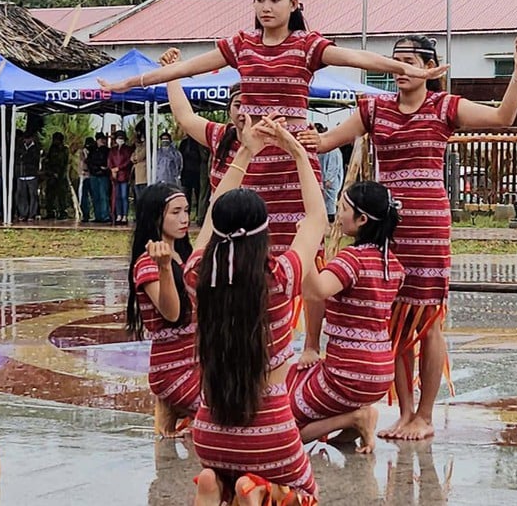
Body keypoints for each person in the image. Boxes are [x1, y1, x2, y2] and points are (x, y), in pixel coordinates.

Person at [100, 0, 445, 256]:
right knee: (248, 239)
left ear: (294, 3)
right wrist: (130, 81)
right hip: (254, 156)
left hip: (294, 157)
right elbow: (184, 69)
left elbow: (359, 58)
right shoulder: (241, 44)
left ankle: (309, 339)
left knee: (306, 247)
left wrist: (411, 71)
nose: (266, 7)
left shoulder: (308, 45)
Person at [302, 34, 517, 441]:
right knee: (395, 319)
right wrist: (292, 131)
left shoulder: (445, 107)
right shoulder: (374, 109)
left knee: (427, 321)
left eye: (410, 61)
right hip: (387, 228)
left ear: (429, 67)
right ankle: (404, 412)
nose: (402, 70)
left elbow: (502, 118)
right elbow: (324, 141)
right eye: (397, 62)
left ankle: (425, 415)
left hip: (429, 229)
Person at [188, 116, 327, 506]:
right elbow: (315, 218)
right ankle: (261, 491)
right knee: (304, 496)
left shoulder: (197, 274)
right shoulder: (279, 277)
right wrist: (298, 152)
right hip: (271, 435)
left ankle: (216, 486)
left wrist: (245, 151)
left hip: (209, 434)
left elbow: (212, 217)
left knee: (219, 476)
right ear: (265, 231)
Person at [291, 181, 404, 454]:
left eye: (343, 208)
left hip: (348, 375)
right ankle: (351, 423)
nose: (338, 214)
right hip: (379, 374)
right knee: (295, 380)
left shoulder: (352, 259)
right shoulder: (392, 265)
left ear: (362, 219)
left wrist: (304, 245)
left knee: (282, 428)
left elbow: (316, 291)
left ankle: (355, 418)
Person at [126, 183, 196, 438]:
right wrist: (165, 268)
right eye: (175, 212)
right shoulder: (147, 263)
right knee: (234, 416)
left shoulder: (187, 255)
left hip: (202, 364)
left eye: (186, 211)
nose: (184, 219)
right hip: (174, 369)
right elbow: (171, 313)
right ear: (156, 216)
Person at [315, 124, 342, 222]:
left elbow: (332, 165)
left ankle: (331, 221)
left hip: (330, 179)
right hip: (324, 177)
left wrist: (329, 179)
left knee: (330, 200)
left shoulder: (332, 149)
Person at [108, 130, 133, 225]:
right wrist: (112, 169)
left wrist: (119, 168)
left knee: (124, 196)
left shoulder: (128, 149)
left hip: (124, 175)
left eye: (122, 138)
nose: (120, 140)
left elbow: (128, 162)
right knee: (117, 196)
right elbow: (109, 161)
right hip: (115, 176)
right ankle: (118, 215)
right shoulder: (112, 150)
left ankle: (124, 216)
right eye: (119, 138)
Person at [15, 132, 42, 222]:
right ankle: (23, 213)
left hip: (32, 175)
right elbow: (17, 158)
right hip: (21, 175)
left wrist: (25, 156)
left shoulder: (36, 148)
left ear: (32, 139)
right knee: (21, 195)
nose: (25, 141)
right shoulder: (20, 147)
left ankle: (32, 214)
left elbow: (33, 159)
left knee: (33, 195)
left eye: (27, 139)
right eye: (24, 139)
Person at [43, 132, 70, 220]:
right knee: (50, 195)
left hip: (61, 175)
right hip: (51, 175)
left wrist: (58, 173)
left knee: (61, 195)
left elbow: (62, 162)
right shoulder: (52, 149)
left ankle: (63, 211)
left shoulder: (64, 149)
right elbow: (48, 161)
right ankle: (50, 211)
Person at [178, 134, 204, 218]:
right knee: (186, 196)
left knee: (198, 194)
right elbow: (180, 157)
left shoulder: (199, 143)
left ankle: (198, 215)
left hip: (197, 172)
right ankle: (186, 214)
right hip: (186, 173)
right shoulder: (184, 143)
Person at [88, 133, 111, 223]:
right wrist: (97, 167)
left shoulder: (107, 151)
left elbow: (107, 163)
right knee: (95, 196)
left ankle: (105, 216)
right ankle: (97, 216)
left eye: (104, 139)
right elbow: (89, 162)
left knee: (103, 196)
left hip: (103, 176)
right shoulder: (92, 150)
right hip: (94, 175)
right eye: (100, 139)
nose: (102, 141)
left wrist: (103, 169)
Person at [78, 137, 95, 223]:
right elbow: (82, 163)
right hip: (84, 176)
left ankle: (95, 214)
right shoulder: (82, 152)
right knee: (84, 197)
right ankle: (85, 214)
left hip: (92, 176)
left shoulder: (94, 151)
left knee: (94, 196)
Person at [132, 128, 149, 197]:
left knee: (142, 196)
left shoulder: (146, 146)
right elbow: (131, 158)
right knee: (138, 196)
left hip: (143, 177)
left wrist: (135, 158)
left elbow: (139, 157)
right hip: (136, 177)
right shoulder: (138, 147)